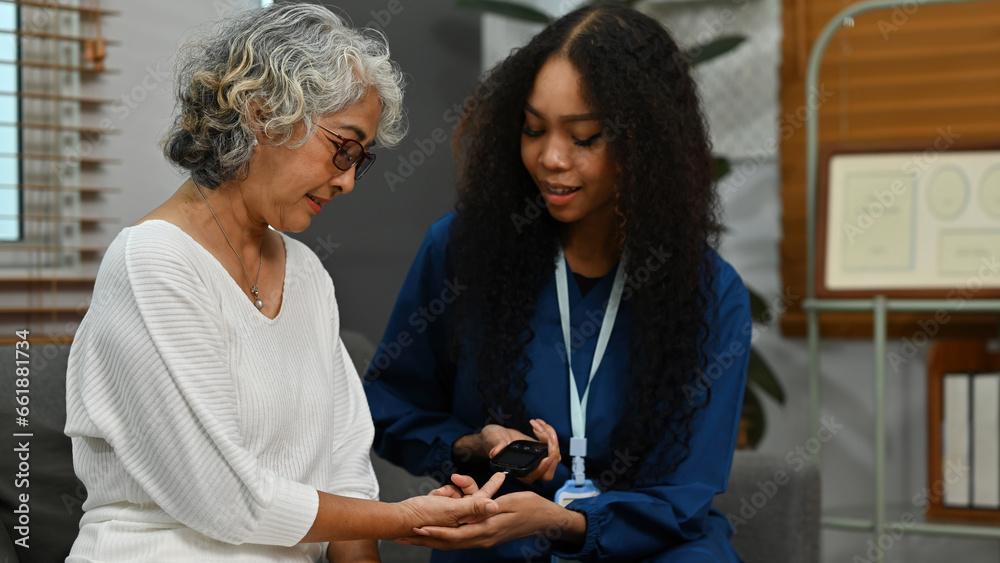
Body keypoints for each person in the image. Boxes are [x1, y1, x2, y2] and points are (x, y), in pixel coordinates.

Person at [63, 5, 503, 562]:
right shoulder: (152, 261)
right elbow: (224, 497)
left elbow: (348, 477)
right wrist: (404, 517)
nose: (347, 181)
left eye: (359, 161)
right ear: (262, 112)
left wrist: (382, 522)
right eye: (342, 146)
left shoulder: (309, 277)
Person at [363, 4, 751, 562]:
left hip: (651, 550)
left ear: (646, 146)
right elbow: (388, 407)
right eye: (533, 129)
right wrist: (472, 445)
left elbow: (683, 494)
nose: (550, 158)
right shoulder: (460, 251)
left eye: (585, 137)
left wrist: (568, 521)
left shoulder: (711, 294)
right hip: (502, 543)